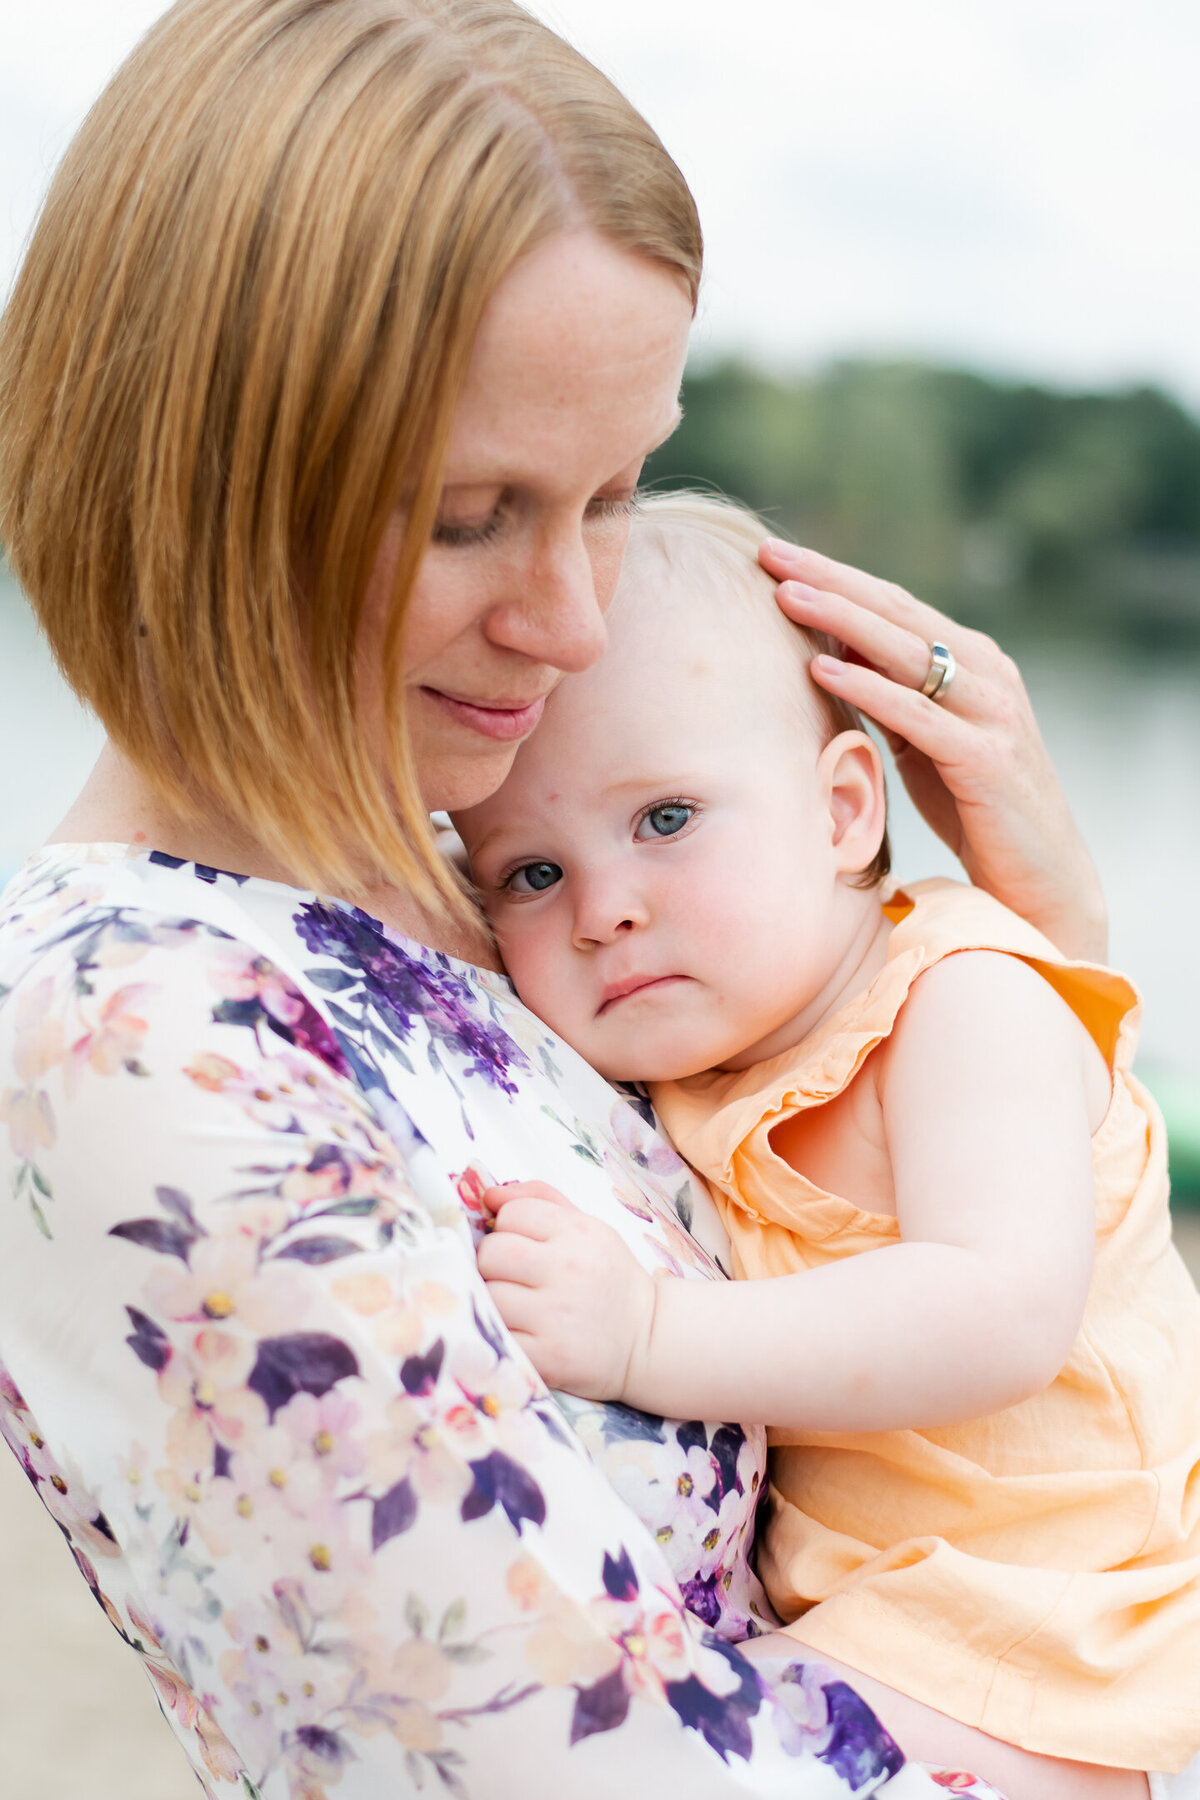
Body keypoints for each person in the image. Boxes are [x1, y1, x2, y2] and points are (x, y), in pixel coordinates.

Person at [0, 1, 1105, 1795]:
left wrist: (1026, 957)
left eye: (614, 490)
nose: (575, 623)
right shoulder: (141, 1037)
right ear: (195, 474)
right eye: (470, 517)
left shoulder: (478, 884)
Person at [455, 493, 1200, 1800]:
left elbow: (999, 1309)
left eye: (668, 818)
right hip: (895, 1639)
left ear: (849, 811)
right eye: (531, 874)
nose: (603, 914)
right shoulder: (696, 1055)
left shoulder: (963, 998)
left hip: (1070, 1652)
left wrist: (644, 1337)